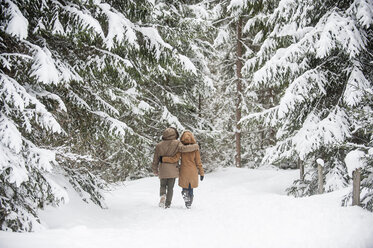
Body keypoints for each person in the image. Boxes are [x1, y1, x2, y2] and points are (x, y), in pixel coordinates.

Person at [152, 127, 199, 208]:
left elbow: (155, 159)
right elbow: (184, 149)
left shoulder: (159, 145)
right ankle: (168, 204)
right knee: (170, 188)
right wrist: (195, 146)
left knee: (162, 185)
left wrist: (155, 169)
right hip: (173, 169)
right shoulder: (177, 143)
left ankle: (162, 195)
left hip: (163, 168)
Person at [162, 130, 204, 209]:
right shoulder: (195, 149)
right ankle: (189, 202)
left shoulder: (181, 149)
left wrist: (163, 159)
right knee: (190, 187)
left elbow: (174, 159)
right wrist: (201, 173)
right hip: (193, 171)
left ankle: (185, 196)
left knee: (185, 187)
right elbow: (198, 162)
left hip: (184, 170)